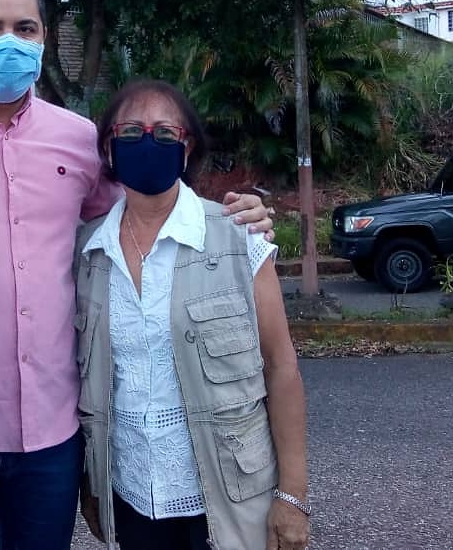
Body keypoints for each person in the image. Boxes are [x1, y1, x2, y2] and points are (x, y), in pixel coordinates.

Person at [0, 0, 273, 550]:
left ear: (44, 37)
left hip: (53, 428)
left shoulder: (78, 140)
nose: (9, 41)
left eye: (25, 28)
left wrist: (231, 215)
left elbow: (139, 219)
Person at [75, 79, 309, 550]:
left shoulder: (238, 238)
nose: (148, 142)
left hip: (229, 497)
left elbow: (281, 366)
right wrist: (90, 485)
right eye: (131, 131)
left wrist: (293, 495)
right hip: (131, 494)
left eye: (165, 133)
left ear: (186, 151)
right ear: (109, 148)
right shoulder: (88, 251)